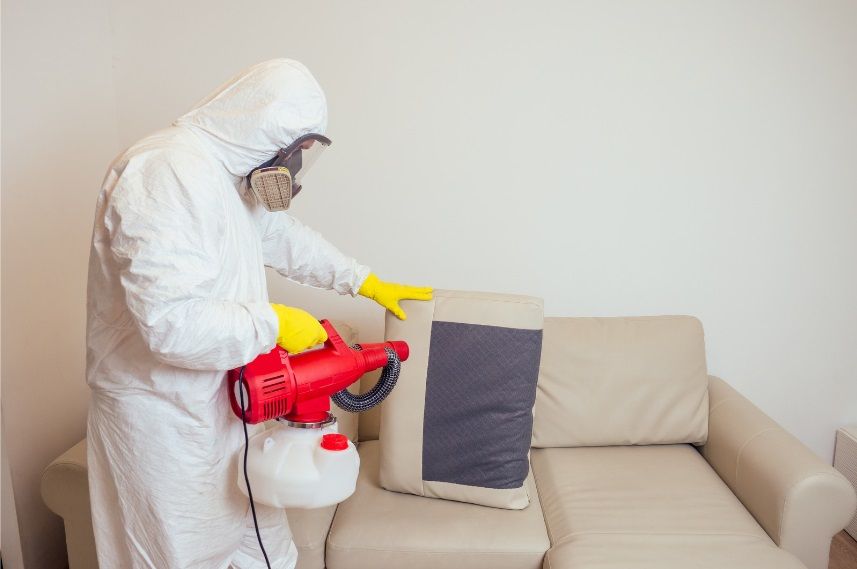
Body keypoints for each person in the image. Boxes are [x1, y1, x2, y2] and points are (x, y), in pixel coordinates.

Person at [85, 59, 432, 569]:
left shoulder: (226, 179)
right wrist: (276, 323)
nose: (292, 170)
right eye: (293, 153)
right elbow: (171, 325)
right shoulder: (164, 172)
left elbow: (280, 237)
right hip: (168, 427)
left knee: (265, 551)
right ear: (264, 126)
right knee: (182, 556)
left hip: (229, 410)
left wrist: (361, 280)